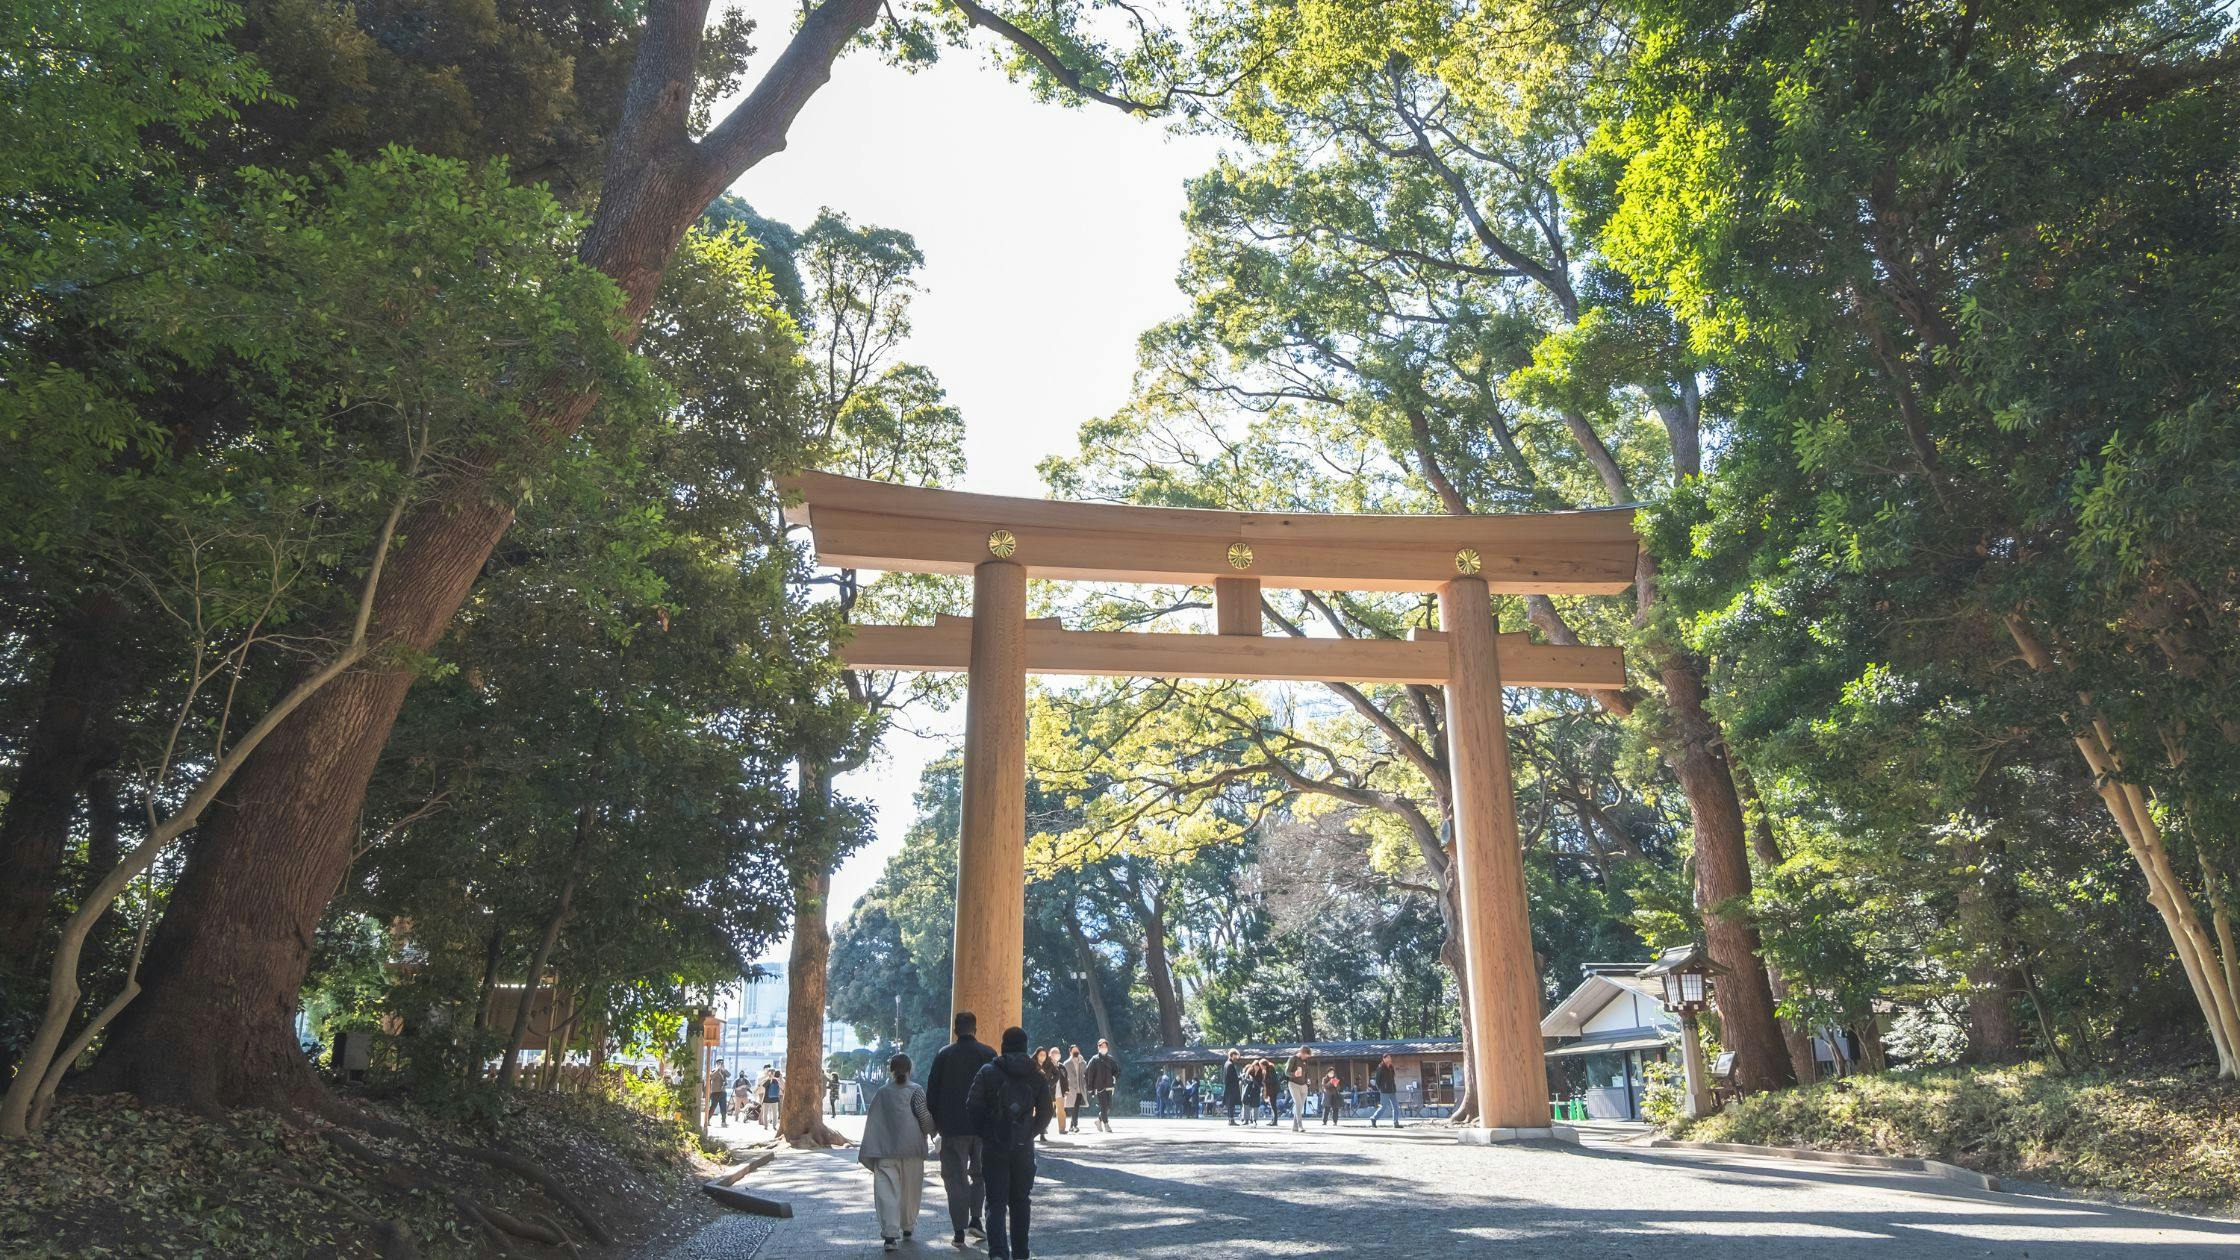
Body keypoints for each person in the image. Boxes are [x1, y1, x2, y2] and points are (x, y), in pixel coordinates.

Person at [967, 1027, 1054, 1260]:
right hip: (1023, 1149)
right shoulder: (1037, 1074)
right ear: (1025, 1046)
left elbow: (972, 1107)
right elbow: (1047, 1112)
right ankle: (1021, 1253)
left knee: (995, 1203)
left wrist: (988, 1133)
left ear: (1004, 1044)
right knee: (1021, 1202)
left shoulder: (988, 1071)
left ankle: (997, 1253)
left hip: (995, 1147)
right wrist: (1029, 1133)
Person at [926, 1010, 997, 1248]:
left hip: (952, 1128)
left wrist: (935, 1124)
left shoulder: (943, 1055)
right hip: (981, 1128)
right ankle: (976, 1218)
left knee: (955, 1179)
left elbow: (932, 1093)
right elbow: (996, 1092)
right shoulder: (989, 1054)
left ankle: (958, 1230)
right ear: (975, 1029)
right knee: (980, 1175)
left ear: (955, 1029)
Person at [860, 1052, 935, 1253]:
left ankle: (890, 1235)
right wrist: (933, 1132)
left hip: (885, 1150)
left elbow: (873, 1121)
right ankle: (908, 1227)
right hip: (912, 1150)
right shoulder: (917, 1090)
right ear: (910, 1069)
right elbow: (924, 1117)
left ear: (891, 1070)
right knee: (911, 1191)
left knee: (886, 1192)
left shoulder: (882, 1093)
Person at [1086, 1039, 1120, 1133]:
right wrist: (1090, 1088)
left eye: (1105, 1046)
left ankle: (1098, 1120)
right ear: (1098, 1047)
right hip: (1099, 1087)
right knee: (1103, 1105)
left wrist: (1114, 1077)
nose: (1103, 1048)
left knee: (1109, 1106)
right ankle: (1106, 1124)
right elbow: (1088, 1073)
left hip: (1109, 1086)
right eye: (1101, 1046)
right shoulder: (1094, 1060)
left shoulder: (1111, 1059)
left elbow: (1117, 1070)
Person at [1284, 1047, 1314, 1133]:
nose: (1306, 1057)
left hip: (1304, 1085)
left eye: (1308, 1056)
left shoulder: (1306, 1061)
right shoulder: (1293, 1058)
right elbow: (1286, 1072)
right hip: (1293, 1084)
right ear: (1301, 1052)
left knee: (1300, 1106)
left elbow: (1307, 1072)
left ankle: (1295, 1127)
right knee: (1298, 1103)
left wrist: (1308, 1080)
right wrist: (1294, 1074)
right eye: (1305, 1055)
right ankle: (1300, 1125)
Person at [1061, 1045, 1090, 1134]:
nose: (1076, 1051)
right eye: (1074, 1050)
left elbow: (1086, 1074)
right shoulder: (1066, 1063)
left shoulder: (1083, 1063)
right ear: (1070, 1052)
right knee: (1074, 1107)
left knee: (1076, 1107)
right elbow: (1064, 1077)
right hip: (1071, 1089)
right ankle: (1075, 1125)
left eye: (1077, 1050)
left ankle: (1072, 1126)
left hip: (1080, 1088)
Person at [1040, 1047, 1066, 1138]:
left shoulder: (1062, 1066)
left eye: (1058, 1053)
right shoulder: (1047, 1065)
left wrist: (1066, 1090)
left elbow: (1065, 1079)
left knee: (1061, 1111)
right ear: (1050, 1054)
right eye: (1054, 1053)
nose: (1056, 1055)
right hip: (1050, 1091)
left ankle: (1062, 1129)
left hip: (1060, 1092)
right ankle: (1044, 1127)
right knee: (1049, 1111)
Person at [1371, 1053, 1402, 1129]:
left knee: (1396, 1107)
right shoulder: (1380, 1067)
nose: (1389, 1059)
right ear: (1384, 1059)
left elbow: (1392, 1078)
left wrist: (1394, 1087)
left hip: (1392, 1090)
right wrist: (1380, 1088)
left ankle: (1396, 1122)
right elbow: (1377, 1080)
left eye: (1390, 1058)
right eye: (1388, 1058)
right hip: (1384, 1091)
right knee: (1383, 1107)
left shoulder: (1391, 1067)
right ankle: (1374, 1118)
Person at [1220, 1049, 1243, 1125]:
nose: (1236, 1057)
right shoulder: (1230, 1064)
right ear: (1232, 1055)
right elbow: (1232, 1077)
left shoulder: (1227, 1063)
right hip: (1231, 1087)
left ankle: (1230, 1120)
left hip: (1228, 1087)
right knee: (1231, 1104)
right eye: (1236, 1055)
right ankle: (1231, 1120)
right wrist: (1240, 1077)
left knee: (1230, 1104)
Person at [706, 1060, 731, 1125]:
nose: (720, 1064)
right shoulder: (713, 1070)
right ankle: (707, 1120)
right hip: (715, 1092)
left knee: (723, 1108)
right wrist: (717, 1070)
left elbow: (729, 1075)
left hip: (723, 1092)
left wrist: (723, 1069)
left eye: (721, 1063)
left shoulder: (724, 1071)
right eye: (719, 1063)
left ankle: (723, 1121)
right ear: (716, 1064)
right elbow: (711, 1077)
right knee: (712, 1107)